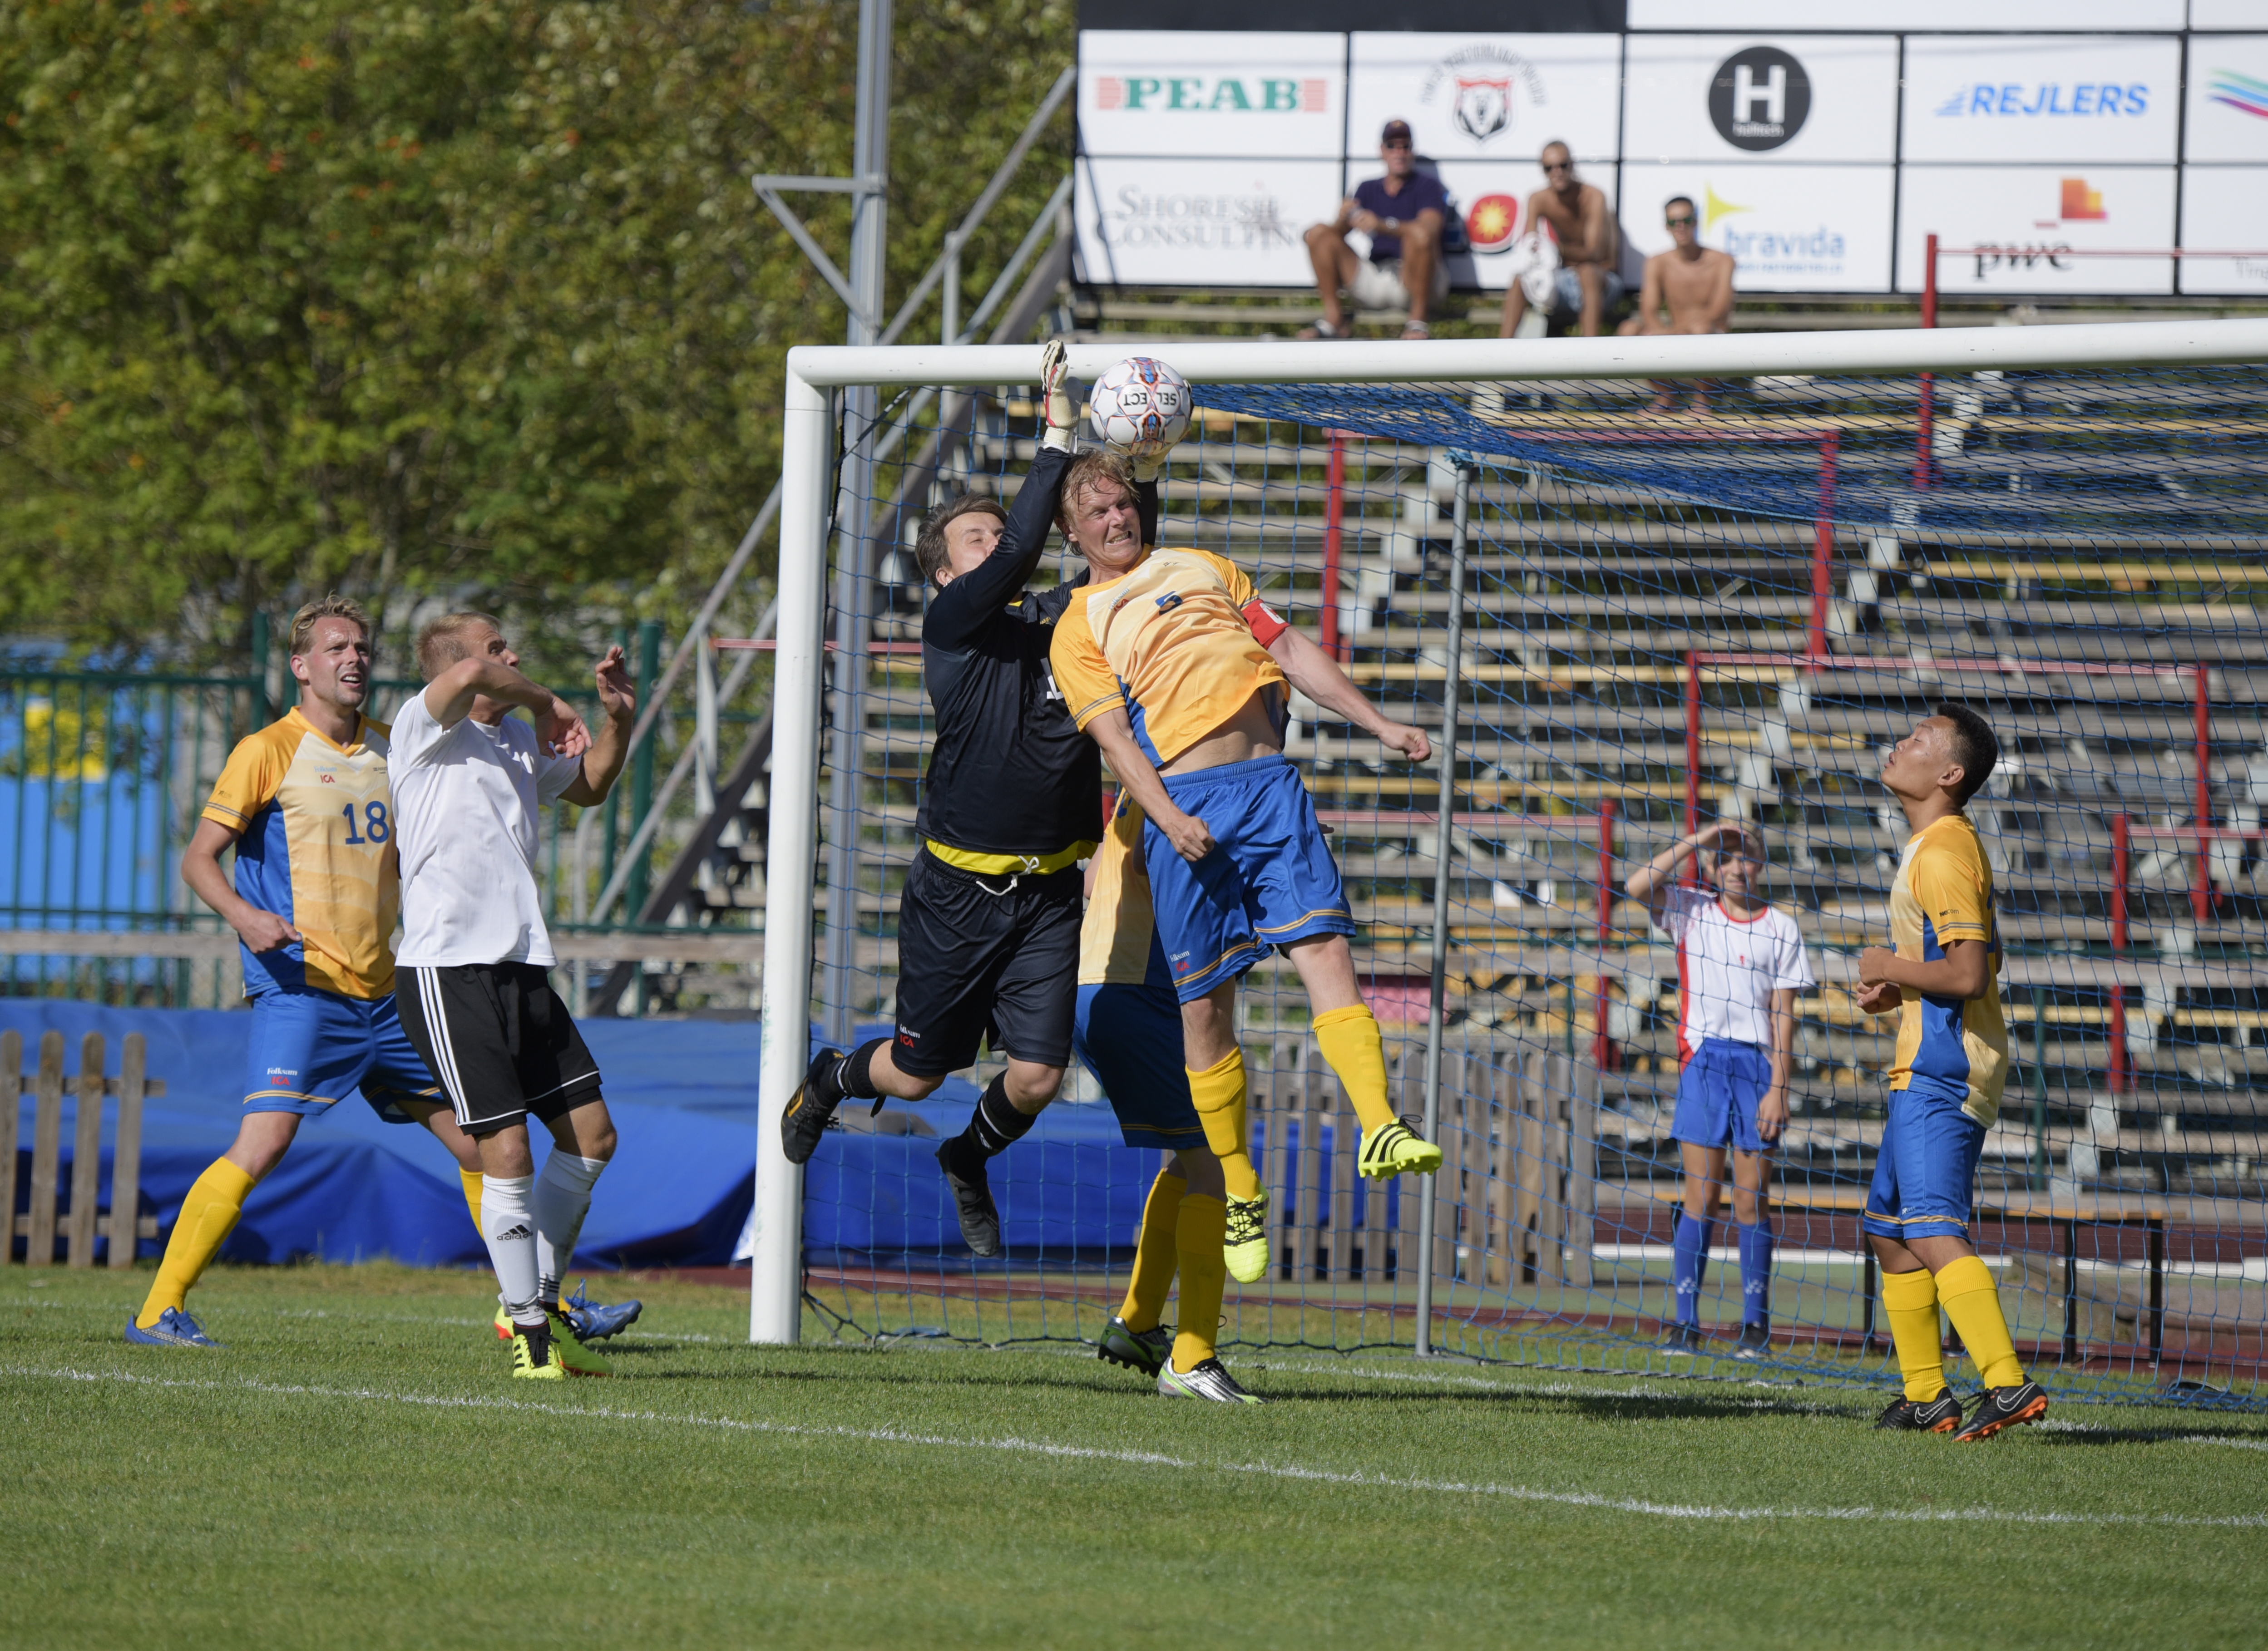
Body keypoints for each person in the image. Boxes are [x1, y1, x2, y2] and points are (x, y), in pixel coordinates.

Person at [1049, 450, 1441, 1289]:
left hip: (1270, 789)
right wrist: (1167, 816)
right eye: (1099, 514)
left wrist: (1377, 723)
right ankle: (1238, 1185)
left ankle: (1379, 1122)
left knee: (1327, 951)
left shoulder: (1207, 566)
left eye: (1124, 505)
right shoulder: (1079, 623)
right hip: (1187, 807)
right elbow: (1114, 739)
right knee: (1206, 1017)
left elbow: (1289, 646)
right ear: (1070, 531)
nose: (1118, 521)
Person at [780, 341, 1102, 1262]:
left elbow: (1115, 557)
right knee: (917, 1078)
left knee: (1036, 1076)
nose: (999, 547)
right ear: (943, 575)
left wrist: (1134, 471)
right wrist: (1055, 438)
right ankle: (834, 1076)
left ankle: (968, 1158)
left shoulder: (1059, 625)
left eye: (1003, 533)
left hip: (1046, 894)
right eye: (979, 540)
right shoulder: (954, 625)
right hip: (957, 895)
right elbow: (1022, 556)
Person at [388, 614, 637, 1380]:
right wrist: (549, 700)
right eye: (499, 648)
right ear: (459, 663)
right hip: (446, 971)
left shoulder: (517, 740)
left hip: (522, 967)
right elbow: (468, 683)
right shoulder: (421, 728)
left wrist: (613, 721)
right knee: (507, 1151)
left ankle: (537, 1302)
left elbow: (590, 786)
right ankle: (532, 1339)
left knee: (593, 1136)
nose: (513, 656)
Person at [1857, 705, 2048, 1441]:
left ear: (1949, 774)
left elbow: (1968, 973)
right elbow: (1982, 959)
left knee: (1932, 1225)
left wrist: (1889, 966)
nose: (1900, 741)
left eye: (1920, 739)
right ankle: (1928, 1395)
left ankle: (2005, 1382)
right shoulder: (1940, 846)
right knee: (1888, 1229)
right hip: (1926, 1061)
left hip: (1944, 1068)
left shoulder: (1939, 851)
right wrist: (1899, 986)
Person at [1079, 798, 1257, 1403]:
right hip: (1135, 991)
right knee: (1215, 1158)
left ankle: (1136, 1324)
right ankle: (1192, 1358)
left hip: (1108, 987)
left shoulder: (1145, 777)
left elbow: (1097, 873)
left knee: (1186, 1158)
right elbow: (1142, 865)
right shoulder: (1188, 781)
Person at [1626, 822, 1813, 1360]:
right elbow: (1638, 886)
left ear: (1760, 864)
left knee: (1751, 1198)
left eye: (1746, 857)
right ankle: (1686, 1324)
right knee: (1701, 1197)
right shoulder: (1691, 912)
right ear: (1711, 866)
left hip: (1756, 1067)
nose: (1735, 867)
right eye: (1725, 858)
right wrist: (1700, 836)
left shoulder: (1780, 928)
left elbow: (1784, 1013)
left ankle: (1756, 1326)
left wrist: (1779, 1087)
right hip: (1704, 1065)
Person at [1301, 119, 1451, 342]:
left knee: (1419, 235)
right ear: (1382, 151)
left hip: (1416, 281)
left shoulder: (1428, 186)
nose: (1399, 153)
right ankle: (1334, 318)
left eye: (1405, 146)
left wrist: (1383, 225)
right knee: (1317, 233)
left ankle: (1419, 322)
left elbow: (1431, 228)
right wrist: (1344, 217)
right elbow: (1338, 234)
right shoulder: (1367, 187)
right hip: (1376, 274)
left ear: (1413, 151)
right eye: (1392, 146)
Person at [1617, 195, 1736, 414]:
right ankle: (1666, 394)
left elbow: (1717, 314)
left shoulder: (1723, 261)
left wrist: (1671, 334)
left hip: (1714, 349)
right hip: (1676, 342)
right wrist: (1662, 334)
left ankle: (1703, 399)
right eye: (1673, 222)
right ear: (1666, 227)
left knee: (1700, 329)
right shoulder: (1657, 262)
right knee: (1629, 329)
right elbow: (1648, 310)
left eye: (1686, 220)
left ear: (1696, 222)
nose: (1680, 227)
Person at [1497, 141, 1621, 339]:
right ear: (1543, 170)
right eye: (1549, 168)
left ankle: (1591, 356)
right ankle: (1500, 355)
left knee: (1587, 272)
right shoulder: (1538, 199)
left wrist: (1553, 250)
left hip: (1604, 283)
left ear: (1573, 165)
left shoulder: (1593, 196)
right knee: (1521, 279)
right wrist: (1541, 252)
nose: (1557, 172)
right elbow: (1529, 250)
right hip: (1564, 280)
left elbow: (1595, 254)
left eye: (1563, 165)